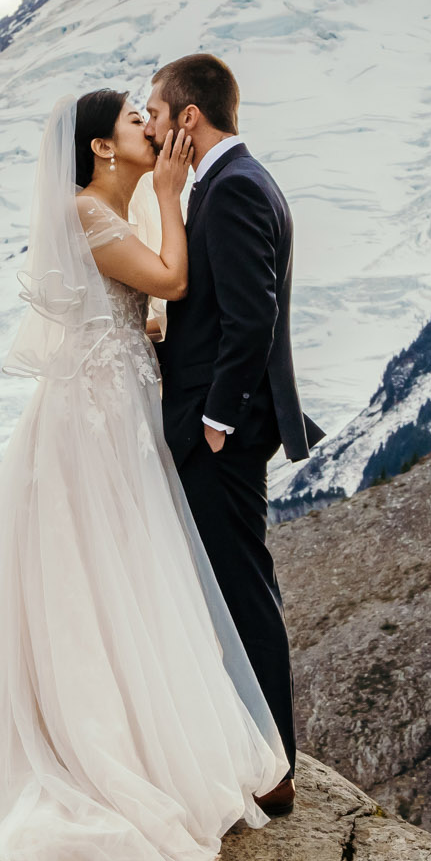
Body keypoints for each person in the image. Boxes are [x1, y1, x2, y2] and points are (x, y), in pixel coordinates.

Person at [0, 89, 288, 861]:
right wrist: (170, 195)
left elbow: (134, 304)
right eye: (133, 121)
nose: (151, 127)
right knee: (97, 572)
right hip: (95, 418)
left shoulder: (100, 210)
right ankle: (98, 745)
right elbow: (172, 281)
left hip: (112, 405)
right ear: (101, 149)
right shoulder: (89, 213)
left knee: (124, 572)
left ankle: (135, 730)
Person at [144, 54, 322, 815]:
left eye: (155, 110)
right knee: (226, 586)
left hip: (224, 433)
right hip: (215, 428)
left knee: (244, 590)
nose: (147, 122)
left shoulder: (237, 187)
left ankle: (274, 764)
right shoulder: (225, 183)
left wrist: (216, 421)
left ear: (189, 117)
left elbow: (251, 319)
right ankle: (249, 749)